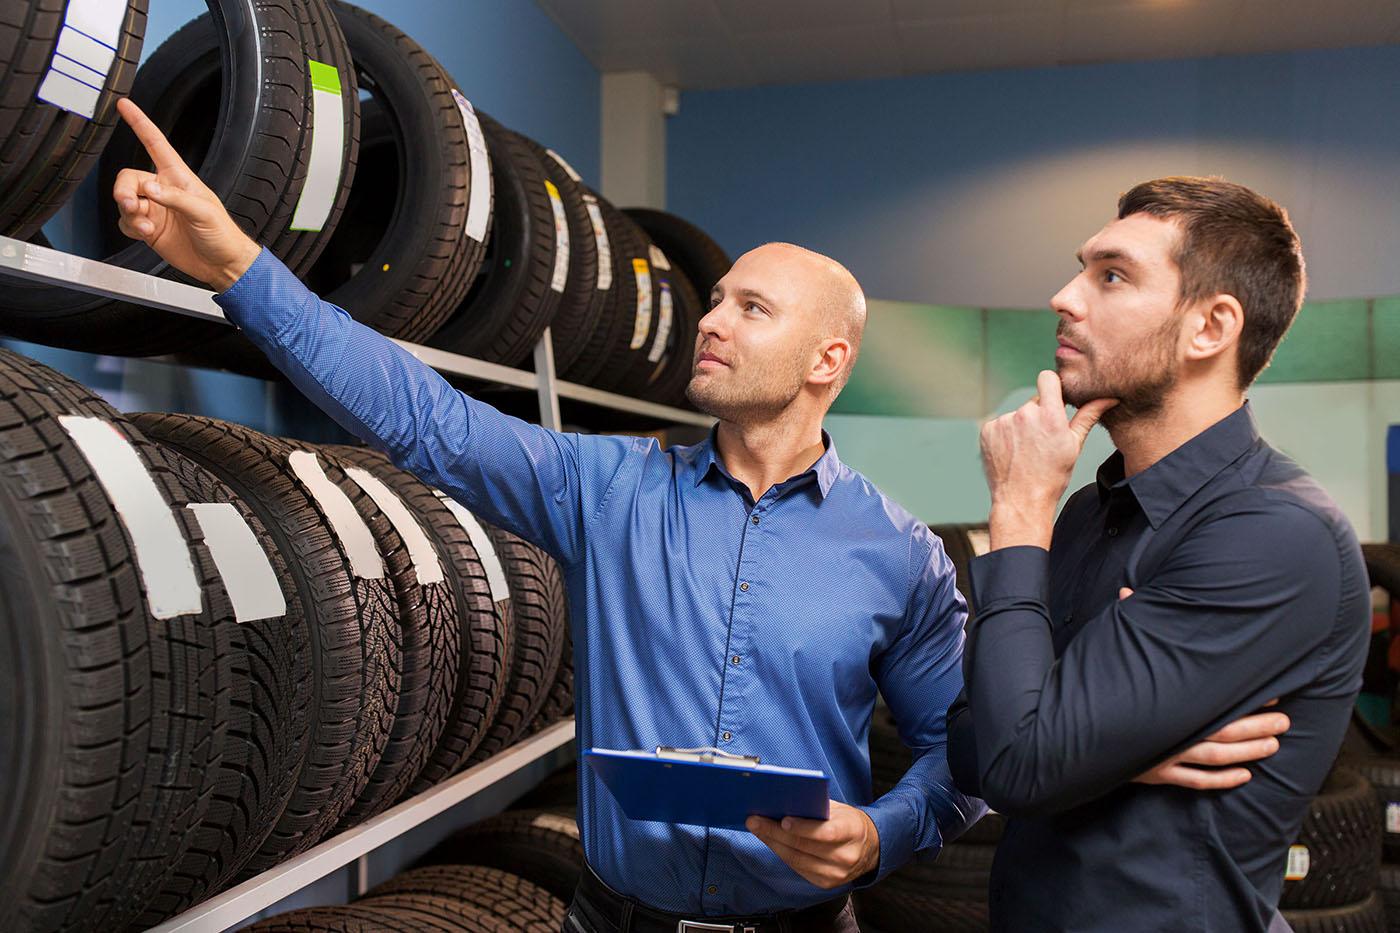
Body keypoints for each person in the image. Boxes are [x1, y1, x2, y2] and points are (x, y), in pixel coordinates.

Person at [108, 98, 984, 932]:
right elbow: (426, 417)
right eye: (716, 299)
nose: (712, 322)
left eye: (752, 308)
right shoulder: (610, 487)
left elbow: (964, 752)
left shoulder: (898, 552)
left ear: (827, 359)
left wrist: (878, 835)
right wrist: (239, 268)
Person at [948, 176, 1370, 932]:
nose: (1063, 297)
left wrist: (1016, 509)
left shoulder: (1274, 533)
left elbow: (1016, 760)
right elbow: (967, 741)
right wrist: (1104, 751)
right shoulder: (1086, 512)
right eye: (1081, 268)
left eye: (1111, 276)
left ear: (1210, 327)